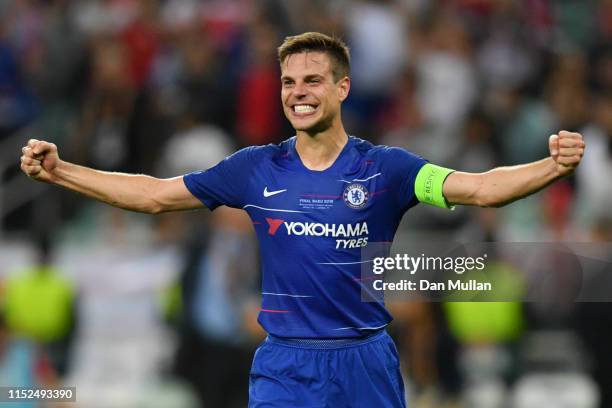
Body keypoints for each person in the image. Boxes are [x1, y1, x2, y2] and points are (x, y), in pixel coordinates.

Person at [20, 32, 584, 407]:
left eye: (312, 80)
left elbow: (481, 189)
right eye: (289, 82)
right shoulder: (253, 169)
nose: (298, 93)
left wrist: (550, 166)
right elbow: (155, 196)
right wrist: (63, 171)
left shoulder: (386, 169)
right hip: (286, 364)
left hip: (365, 358)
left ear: (342, 87)